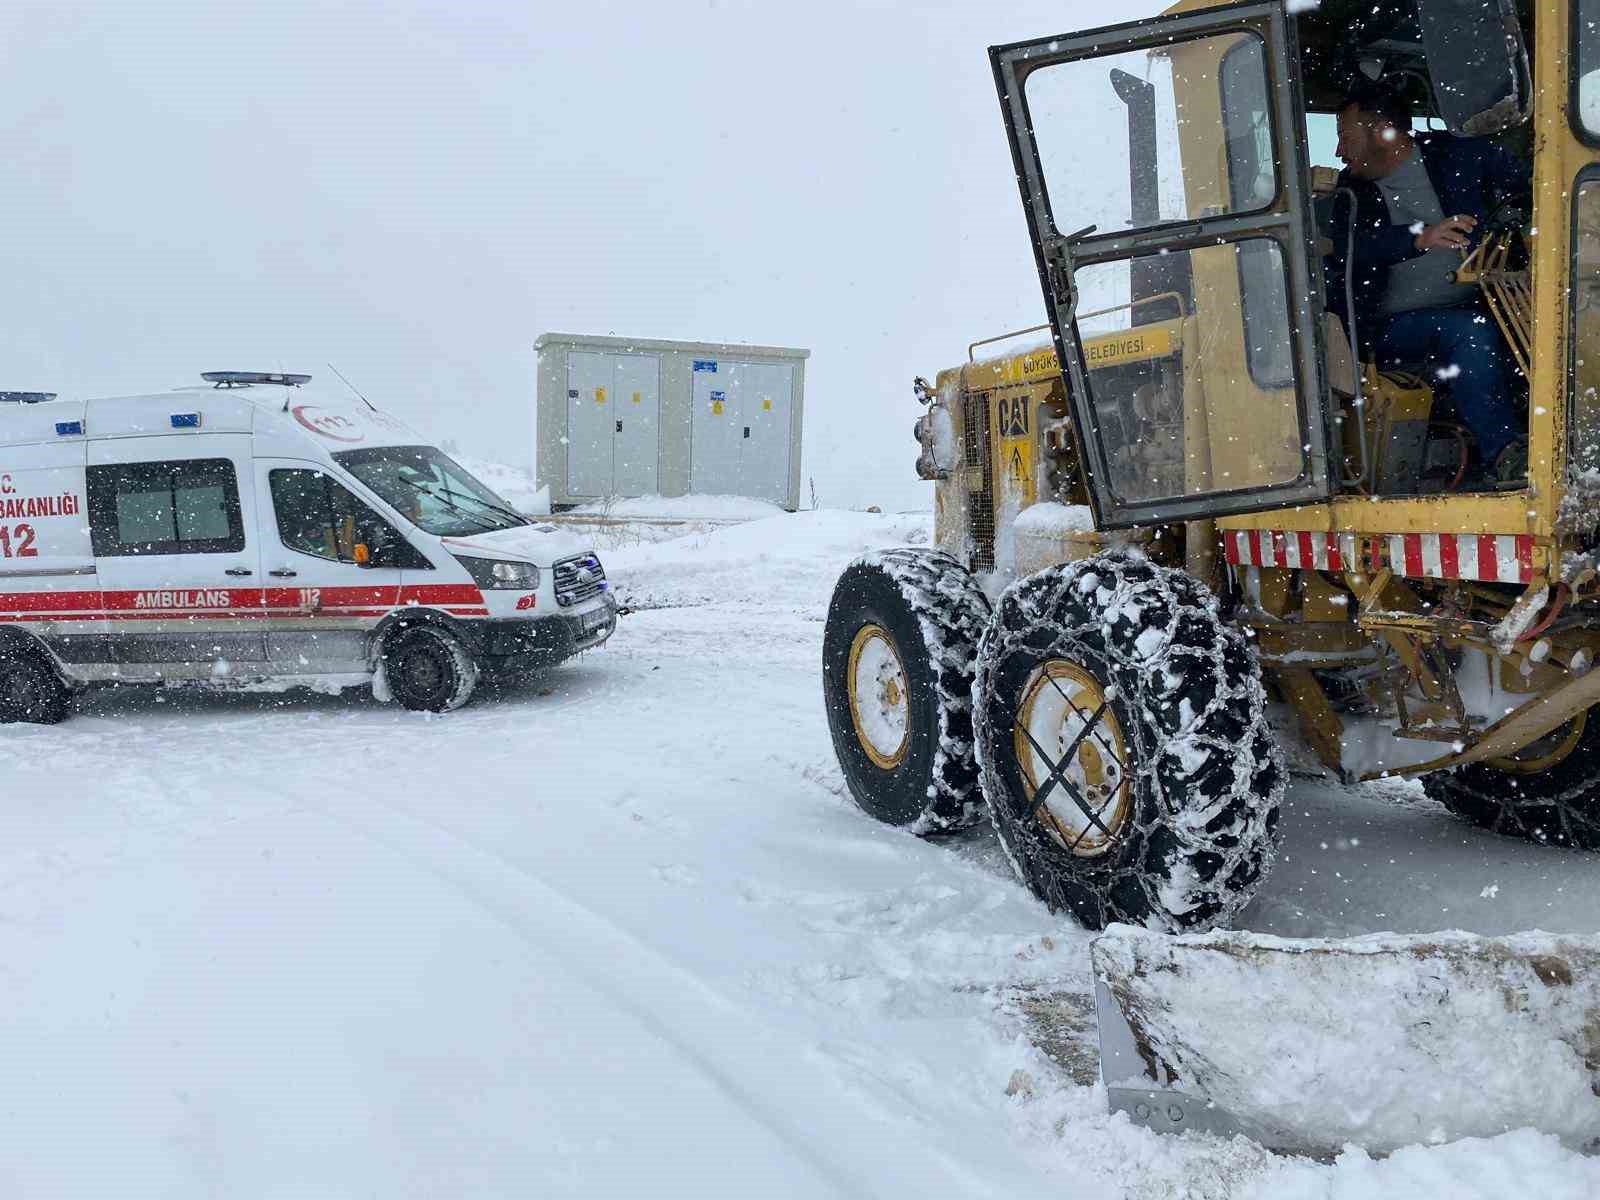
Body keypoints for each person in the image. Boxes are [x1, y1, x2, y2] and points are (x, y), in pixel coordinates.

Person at [1326, 81, 1532, 482]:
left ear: (1383, 131)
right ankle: (1507, 455)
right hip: (1388, 330)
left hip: (1484, 299)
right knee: (1469, 332)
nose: (1338, 151)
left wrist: (1518, 227)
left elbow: (1531, 184)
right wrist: (1417, 237)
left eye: (1344, 137)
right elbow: (1351, 249)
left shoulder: (1459, 156)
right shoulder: (1350, 193)